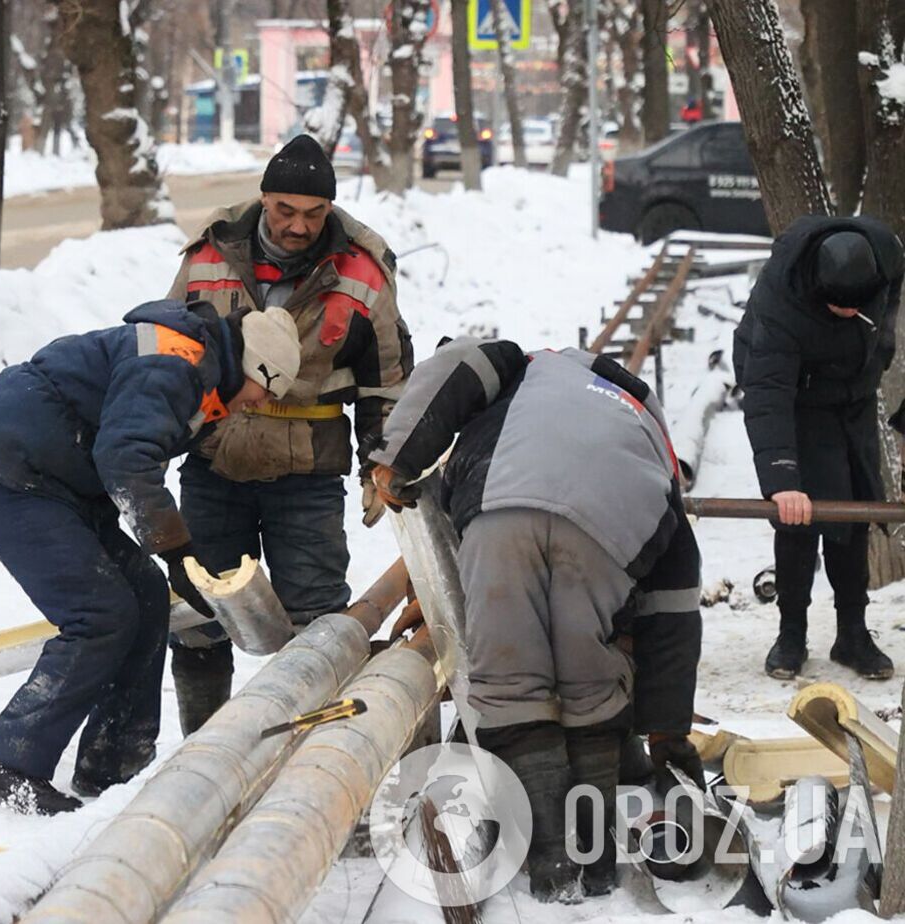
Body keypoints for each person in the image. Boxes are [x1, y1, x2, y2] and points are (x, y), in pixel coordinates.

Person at [368, 339, 703, 902]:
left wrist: (394, 459)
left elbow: (458, 366)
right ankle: (596, 863)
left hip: (504, 504)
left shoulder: (522, 365)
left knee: (512, 681)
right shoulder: (646, 422)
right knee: (591, 682)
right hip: (614, 519)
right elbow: (674, 597)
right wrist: (667, 729)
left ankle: (550, 862)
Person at [0, 299, 302, 814]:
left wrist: (173, 558)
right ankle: (10, 769)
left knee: (147, 594)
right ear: (252, 366)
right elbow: (125, 458)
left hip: (55, 480)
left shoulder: (200, 372)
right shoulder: (176, 364)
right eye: (264, 393)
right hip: (7, 473)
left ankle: (114, 762)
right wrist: (177, 549)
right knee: (100, 613)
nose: (259, 405)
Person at [163, 133, 412, 735]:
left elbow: (385, 385)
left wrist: (380, 465)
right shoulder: (208, 258)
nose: (298, 226)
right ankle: (204, 748)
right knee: (200, 616)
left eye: (314, 213)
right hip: (215, 463)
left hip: (307, 475)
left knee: (317, 621)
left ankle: (308, 753)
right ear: (264, 199)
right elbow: (166, 354)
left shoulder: (362, 272)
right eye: (285, 210)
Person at [737, 217, 905, 680]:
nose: (850, 313)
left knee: (852, 505)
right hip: (792, 392)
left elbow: (890, 325)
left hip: (851, 391)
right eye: (839, 307)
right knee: (800, 512)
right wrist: (782, 481)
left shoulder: (886, 259)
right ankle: (791, 631)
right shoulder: (781, 300)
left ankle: (853, 631)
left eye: (857, 307)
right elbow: (767, 391)